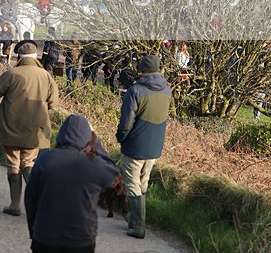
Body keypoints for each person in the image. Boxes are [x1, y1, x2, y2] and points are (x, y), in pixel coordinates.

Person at [25, 115, 119, 253]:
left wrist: (34, 232)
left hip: (45, 238)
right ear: (87, 138)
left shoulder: (44, 159)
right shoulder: (95, 164)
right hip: (81, 240)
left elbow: (30, 199)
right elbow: (113, 173)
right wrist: (95, 140)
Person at [0, 42, 59, 216]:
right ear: (36, 57)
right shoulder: (46, 75)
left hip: (10, 126)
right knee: (28, 162)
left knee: (13, 165)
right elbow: (53, 102)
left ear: (19, 57)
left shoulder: (12, 73)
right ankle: (40, 203)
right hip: (35, 129)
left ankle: (15, 205)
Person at [116, 54, 172, 239]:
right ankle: (134, 218)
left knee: (132, 185)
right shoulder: (167, 91)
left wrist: (121, 138)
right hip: (154, 147)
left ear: (141, 70)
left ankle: (138, 227)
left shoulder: (135, 91)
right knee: (143, 184)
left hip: (134, 147)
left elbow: (126, 123)